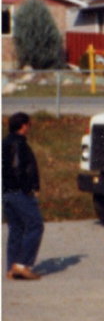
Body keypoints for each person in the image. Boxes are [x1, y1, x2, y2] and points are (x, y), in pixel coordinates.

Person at [3, 112, 45, 280]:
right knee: (36, 225)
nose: (29, 128)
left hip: (5, 192)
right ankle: (22, 265)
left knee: (16, 229)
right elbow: (18, 169)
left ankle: (11, 267)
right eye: (29, 125)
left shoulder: (4, 143)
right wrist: (29, 187)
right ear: (24, 126)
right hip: (19, 192)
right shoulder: (19, 144)